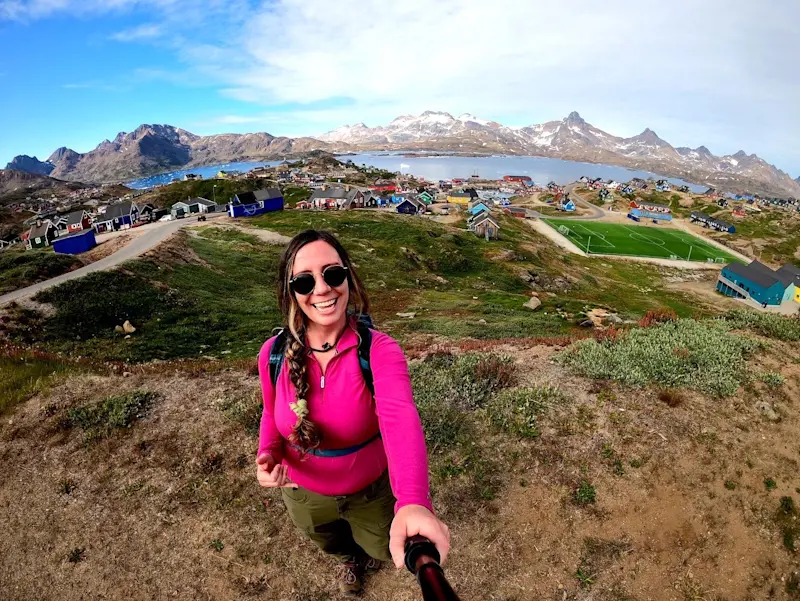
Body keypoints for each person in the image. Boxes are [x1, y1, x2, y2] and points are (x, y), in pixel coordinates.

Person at [255, 230, 450, 596]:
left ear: (348, 277)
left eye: (332, 274)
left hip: (370, 491)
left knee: (381, 544)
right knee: (326, 540)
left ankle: (367, 555)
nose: (323, 289)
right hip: (302, 493)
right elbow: (270, 412)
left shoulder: (378, 350)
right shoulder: (273, 353)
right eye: (304, 281)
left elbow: (400, 419)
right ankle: (350, 559)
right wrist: (269, 452)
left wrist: (413, 502)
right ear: (290, 291)